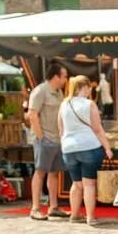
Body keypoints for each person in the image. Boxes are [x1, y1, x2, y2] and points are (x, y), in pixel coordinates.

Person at [60, 75, 112, 225]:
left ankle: (75, 215)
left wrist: (66, 143)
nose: (90, 90)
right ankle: (90, 217)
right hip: (89, 146)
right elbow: (97, 129)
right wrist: (107, 147)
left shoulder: (64, 104)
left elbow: (61, 129)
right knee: (89, 184)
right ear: (84, 87)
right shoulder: (89, 104)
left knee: (76, 184)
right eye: (89, 87)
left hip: (69, 148)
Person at [26, 62, 68, 220]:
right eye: (64, 76)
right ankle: (35, 208)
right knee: (40, 172)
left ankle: (53, 206)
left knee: (54, 173)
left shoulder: (58, 92)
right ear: (56, 77)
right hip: (45, 139)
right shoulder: (40, 91)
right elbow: (32, 114)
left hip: (57, 139)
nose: (65, 79)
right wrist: (41, 137)